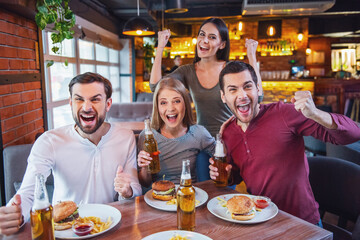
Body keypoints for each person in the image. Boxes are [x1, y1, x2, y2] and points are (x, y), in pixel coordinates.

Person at [209, 61, 360, 225]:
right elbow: (238, 174)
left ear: (258, 88)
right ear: (223, 96)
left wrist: (316, 113)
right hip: (260, 220)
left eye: (247, 86)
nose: (242, 95)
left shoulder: (284, 113)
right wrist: (228, 175)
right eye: (233, 89)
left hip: (303, 223)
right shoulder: (228, 132)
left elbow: (353, 134)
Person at [0, 72, 142, 236]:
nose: (87, 107)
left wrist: (128, 191)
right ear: (70, 103)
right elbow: (27, 194)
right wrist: (15, 215)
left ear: (108, 104)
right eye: (79, 99)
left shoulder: (125, 137)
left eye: (95, 99)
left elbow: (135, 190)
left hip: (111, 227)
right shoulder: (50, 141)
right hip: (64, 232)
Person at [150, 17, 263, 137]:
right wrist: (160, 47)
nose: (204, 40)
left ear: (222, 44)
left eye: (212, 37)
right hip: (202, 140)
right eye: (202, 35)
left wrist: (251, 55)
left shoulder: (230, 69)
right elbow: (156, 87)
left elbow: (258, 96)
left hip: (233, 137)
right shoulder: (187, 71)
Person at [137, 78, 215, 188]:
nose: (171, 108)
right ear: (157, 107)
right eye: (163, 103)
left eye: (177, 101)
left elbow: (223, 158)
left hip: (188, 197)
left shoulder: (198, 133)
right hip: (158, 197)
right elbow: (144, 183)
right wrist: (145, 167)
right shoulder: (147, 137)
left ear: (185, 104)